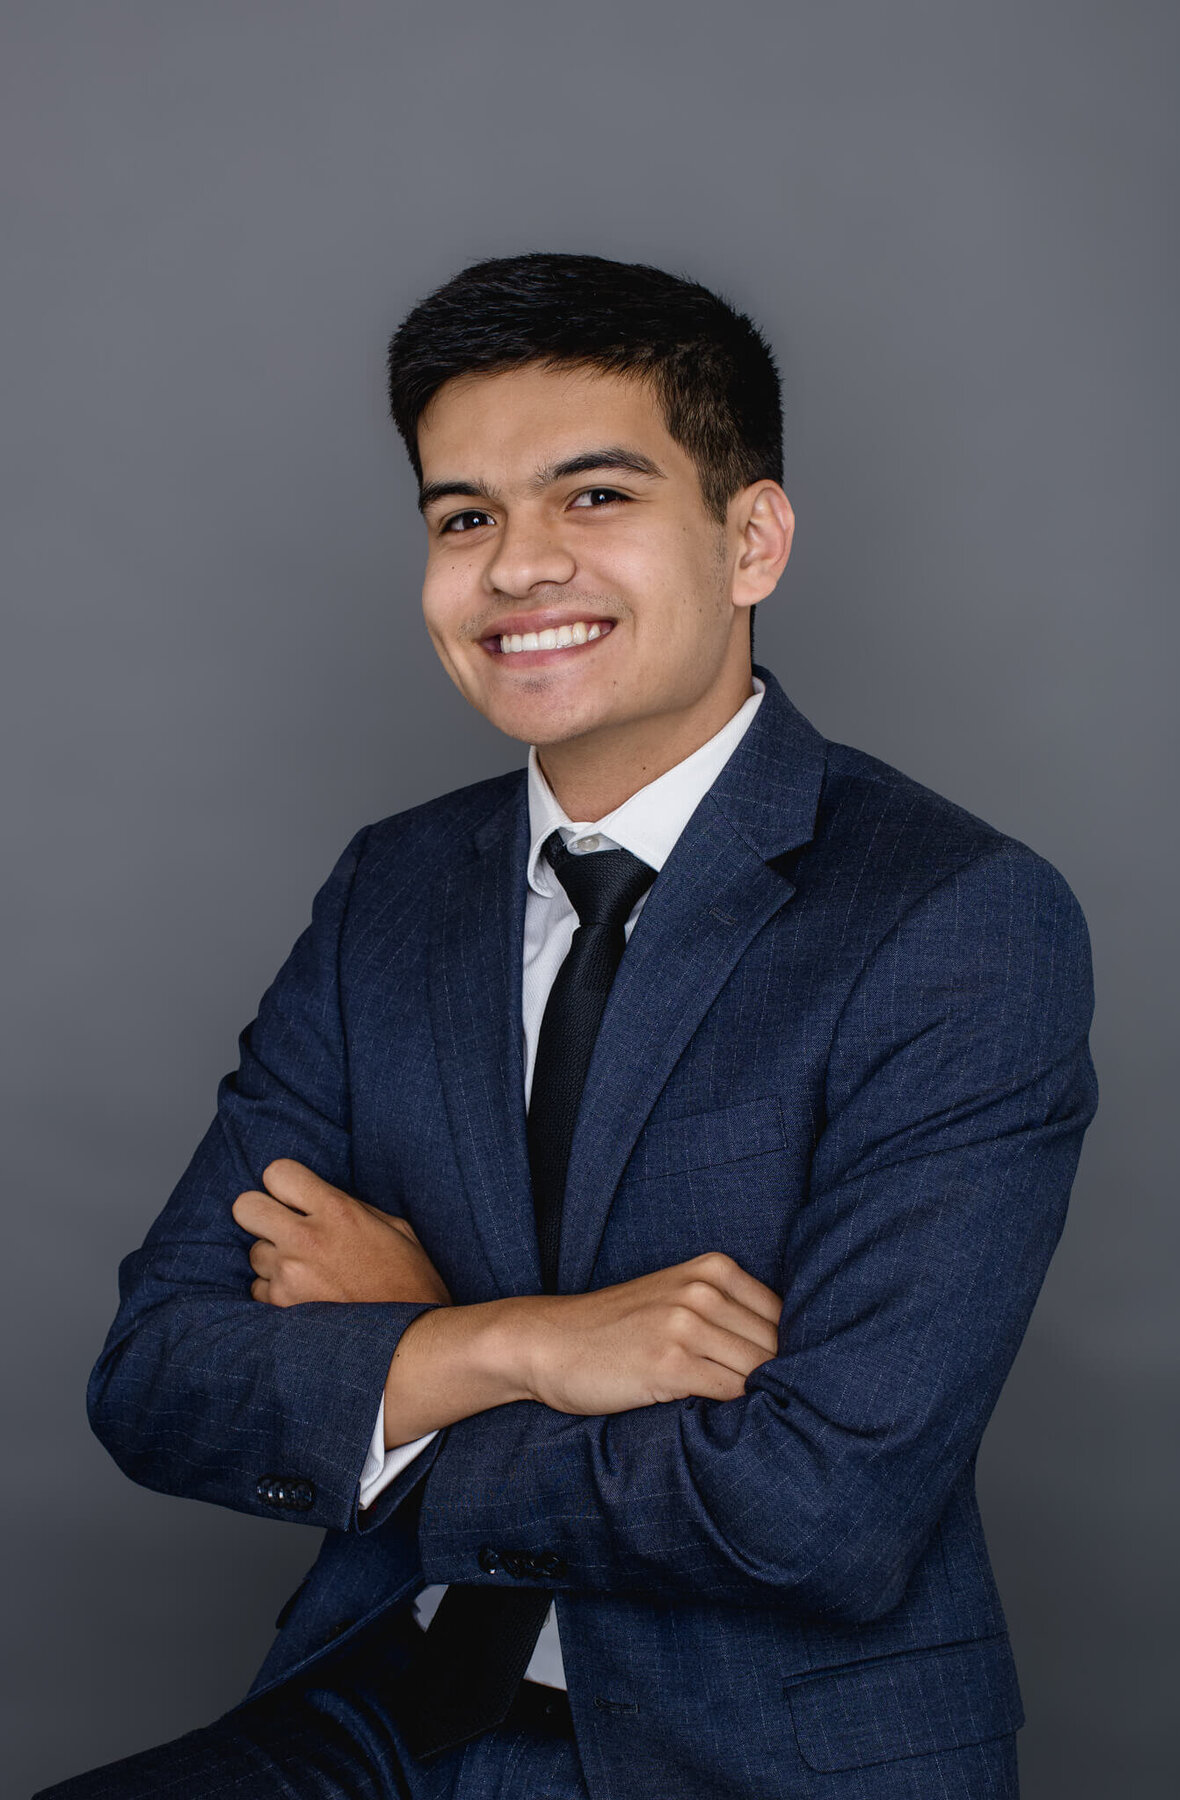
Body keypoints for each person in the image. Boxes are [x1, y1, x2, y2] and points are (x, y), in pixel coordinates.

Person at [39, 253, 1098, 1800]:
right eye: (464, 516)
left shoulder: (952, 917)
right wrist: (520, 1342)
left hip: (753, 1751)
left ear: (752, 539)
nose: (518, 566)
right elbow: (159, 1375)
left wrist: (406, 1354)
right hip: (385, 1702)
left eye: (592, 497)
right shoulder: (392, 891)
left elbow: (819, 1506)